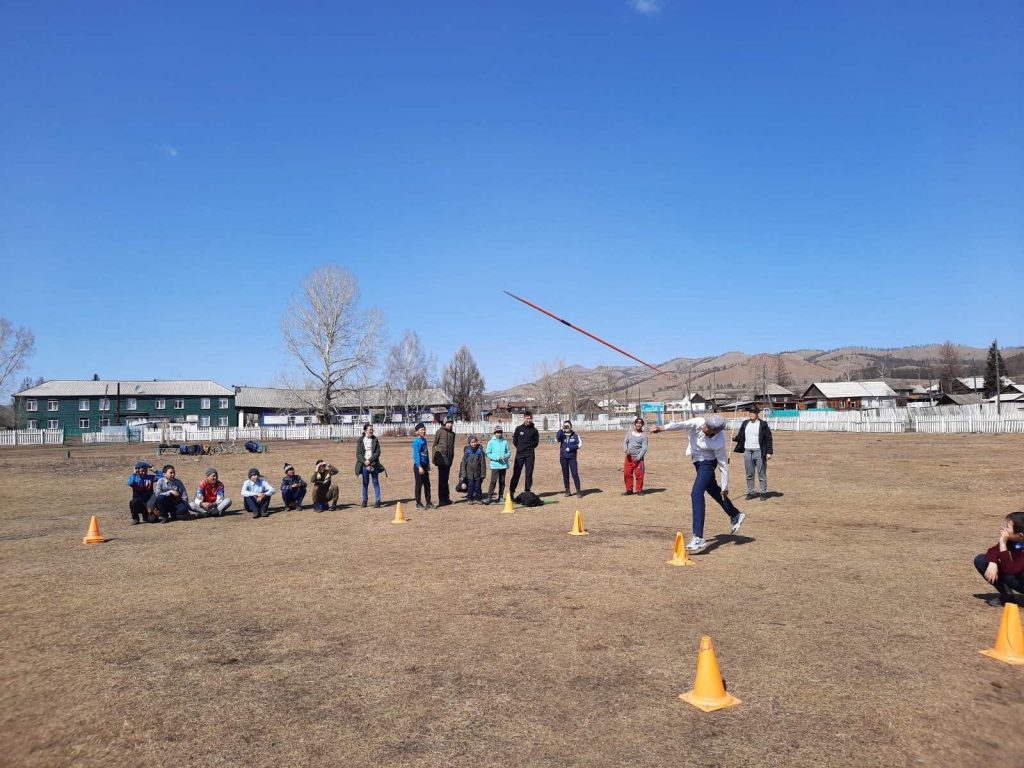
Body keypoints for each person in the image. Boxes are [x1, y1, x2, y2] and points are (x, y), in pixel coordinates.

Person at [651, 414, 745, 554]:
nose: (704, 427)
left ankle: (698, 537)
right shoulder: (699, 422)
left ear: (716, 431)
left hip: (707, 465)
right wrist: (661, 428)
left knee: (696, 494)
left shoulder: (719, 442)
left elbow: (723, 465)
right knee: (714, 491)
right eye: (705, 424)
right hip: (698, 463)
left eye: (708, 427)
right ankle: (735, 514)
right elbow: (682, 424)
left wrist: (725, 487)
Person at [973, 511, 1024, 606]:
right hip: (1019, 578)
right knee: (981, 560)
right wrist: (993, 563)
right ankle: (1007, 596)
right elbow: (993, 551)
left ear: (1020, 535)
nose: (1004, 529)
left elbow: (1010, 569)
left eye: (1008, 527)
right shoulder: (1013, 539)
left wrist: (1003, 544)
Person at [733, 405, 773, 500]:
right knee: (749, 474)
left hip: (759, 451)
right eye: (750, 412)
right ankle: (751, 492)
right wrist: (735, 438)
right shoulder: (745, 423)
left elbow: (768, 439)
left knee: (761, 473)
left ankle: (763, 493)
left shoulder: (763, 424)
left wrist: (769, 452)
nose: (751, 414)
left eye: (754, 412)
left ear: (757, 414)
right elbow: (741, 436)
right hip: (748, 451)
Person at [509, 411, 539, 498]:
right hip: (520, 455)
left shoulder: (534, 430)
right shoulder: (519, 429)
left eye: (530, 418)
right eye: (527, 418)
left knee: (529, 473)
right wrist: (520, 448)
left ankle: (527, 491)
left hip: (530, 455)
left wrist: (529, 448)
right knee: (516, 473)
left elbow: (536, 443)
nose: (529, 420)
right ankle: (511, 492)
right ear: (524, 418)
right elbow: (515, 441)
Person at [356, 423, 383, 508]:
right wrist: (365, 461)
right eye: (369, 430)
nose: (371, 431)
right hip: (364, 465)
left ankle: (378, 500)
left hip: (373, 464)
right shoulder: (361, 440)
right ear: (365, 431)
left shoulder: (375, 440)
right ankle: (364, 500)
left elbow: (377, 452)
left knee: (375, 482)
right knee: (365, 482)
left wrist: (370, 460)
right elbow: (358, 454)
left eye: (372, 430)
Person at [432, 416, 456, 506]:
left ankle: (447, 498)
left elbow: (452, 447)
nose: (450, 425)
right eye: (448, 423)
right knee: (442, 480)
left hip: (449, 460)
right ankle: (441, 500)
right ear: (445, 423)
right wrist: (434, 458)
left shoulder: (453, 434)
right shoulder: (439, 432)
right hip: (441, 459)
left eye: (451, 423)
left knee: (446, 479)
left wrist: (451, 458)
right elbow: (434, 445)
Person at [484, 425, 511, 505]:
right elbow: (488, 453)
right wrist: (496, 458)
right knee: (493, 481)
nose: (498, 434)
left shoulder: (505, 442)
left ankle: (501, 497)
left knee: (502, 481)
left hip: (503, 465)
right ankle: (489, 497)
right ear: (494, 433)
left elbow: (508, 452)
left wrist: (506, 456)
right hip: (495, 465)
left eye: (500, 432)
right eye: (497, 432)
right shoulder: (491, 442)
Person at [556, 420, 583, 497]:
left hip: (572, 458)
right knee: (565, 474)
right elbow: (557, 439)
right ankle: (567, 490)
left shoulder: (575, 435)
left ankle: (578, 490)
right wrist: (561, 429)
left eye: (568, 426)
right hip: (563, 458)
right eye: (565, 426)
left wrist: (571, 448)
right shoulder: (562, 434)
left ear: (571, 426)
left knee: (574, 474)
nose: (566, 427)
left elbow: (580, 444)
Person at [458, 434, 487, 505]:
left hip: (478, 474)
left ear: (477, 442)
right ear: (469, 443)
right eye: (472, 442)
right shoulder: (467, 452)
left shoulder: (480, 451)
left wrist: (483, 474)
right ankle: (469, 499)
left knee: (477, 487)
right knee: (470, 487)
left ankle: (479, 499)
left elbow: (483, 463)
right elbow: (463, 464)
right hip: (469, 474)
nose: (473, 444)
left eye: (475, 442)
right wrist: (464, 475)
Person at [623, 417, 648, 496]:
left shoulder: (644, 436)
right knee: (627, 474)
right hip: (629, 458)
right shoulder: (629, 433)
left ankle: (639, 490)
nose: (638, 424)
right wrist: (626, 450)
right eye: (637, 423)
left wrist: (638, 457)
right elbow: (625, 442)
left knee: (639, 475)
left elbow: (644, 448)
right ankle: (629, 490)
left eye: (640, 423)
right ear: (635, 424)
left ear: (642, 425)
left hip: (638, 459)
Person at [412, 422, 434, 509]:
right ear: (417, 432)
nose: (424, 431)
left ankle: (428, 502)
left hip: (425, 465)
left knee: (427, 484)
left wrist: (428, 464)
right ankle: (418, 503)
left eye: (424, 429)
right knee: (419, 485)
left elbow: (426, 453)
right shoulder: (416, 442)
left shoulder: (424, 440)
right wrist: (419, 466)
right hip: (419, 466)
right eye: (421, 430)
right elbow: (416, 455)